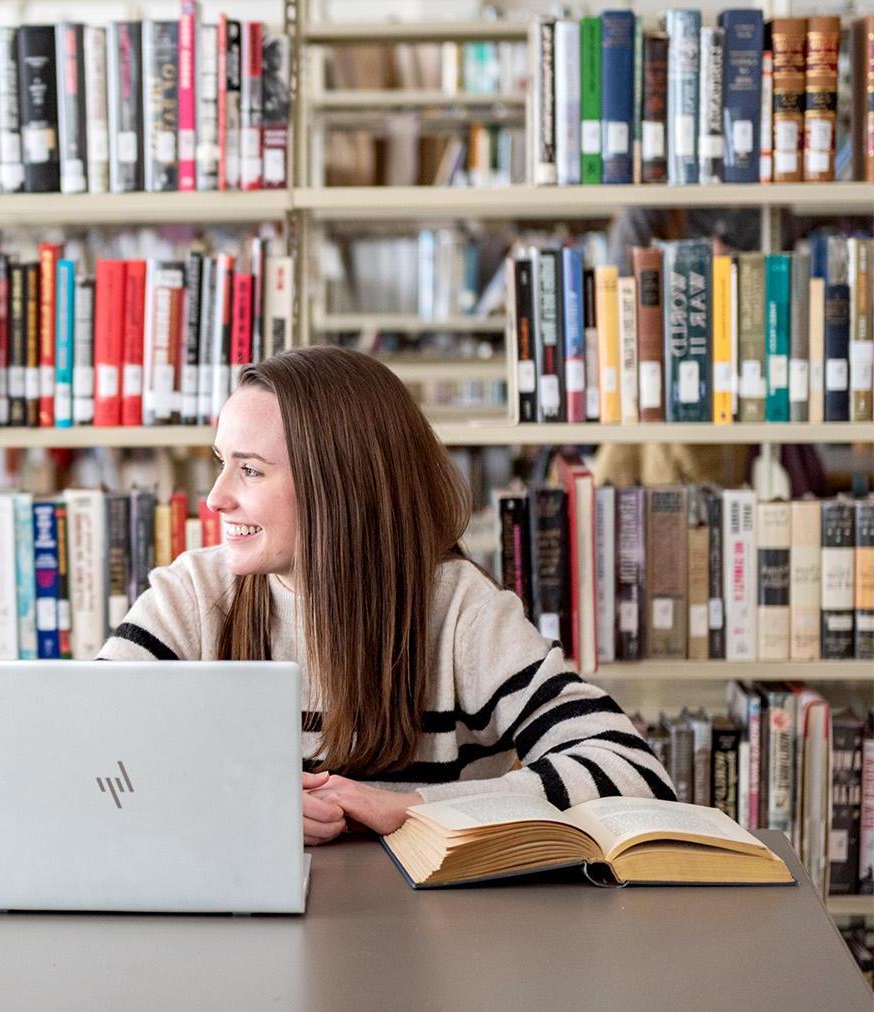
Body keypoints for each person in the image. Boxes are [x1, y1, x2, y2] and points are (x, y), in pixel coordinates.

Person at [98, 347, 674, 846]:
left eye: (250, 471)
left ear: (339, 487)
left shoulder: (459, 612)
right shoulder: (192, 596)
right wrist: (232, 800)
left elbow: (633, 771)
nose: (215, 499)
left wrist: (416, 808)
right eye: (223, 464)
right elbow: (80, 760)